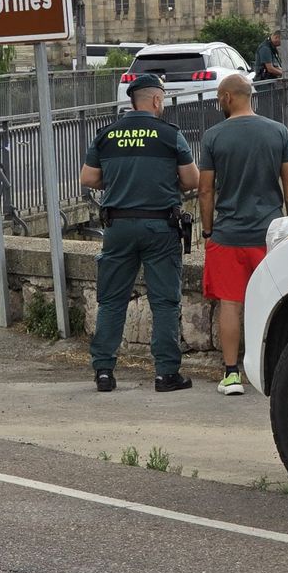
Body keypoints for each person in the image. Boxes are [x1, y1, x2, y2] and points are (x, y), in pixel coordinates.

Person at [81, 73, 200, 393]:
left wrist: (120, 181)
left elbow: (89, 178)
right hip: (160, 228)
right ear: (157, 100)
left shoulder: (106, 134)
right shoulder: (170, 135)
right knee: (164, 302)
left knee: (112, 300)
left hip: (118, 227)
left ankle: (104, 371)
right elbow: (191, 180)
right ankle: (165, 374)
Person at [198, 75, 288, 395]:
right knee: (279, 302)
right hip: (270, 233)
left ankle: (231, 375)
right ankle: (280, 371)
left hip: (229, 235)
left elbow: (205, 191)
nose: (218, 103)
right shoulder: (278, 131)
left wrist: (208, 230)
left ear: (229, 97)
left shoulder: (213, 137)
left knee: (230, 304)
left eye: (218, 97)